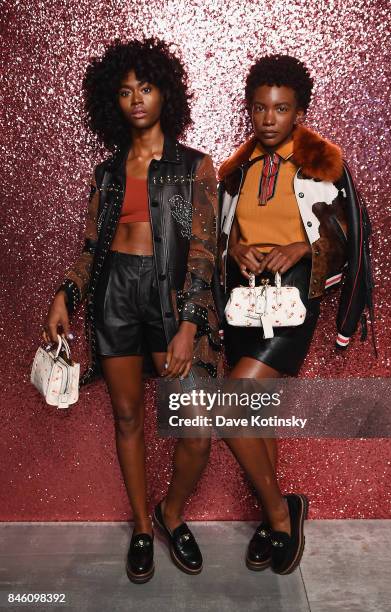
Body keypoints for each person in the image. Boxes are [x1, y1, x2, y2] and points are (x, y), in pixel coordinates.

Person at [42, 37, 222, 583]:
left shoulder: (194, 166)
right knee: (127, 418)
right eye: (125, 91)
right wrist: (65, 295)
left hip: (169, 299)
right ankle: (144, 526)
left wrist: (190, 321)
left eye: (145, 88)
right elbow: (93, 247)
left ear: (165, 93)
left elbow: (205, 250)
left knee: (195, 428)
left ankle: (172, 512)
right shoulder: (108, 172)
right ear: (112, 101)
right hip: (114, 293)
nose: (137, 99)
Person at [216, 54, 374, 575]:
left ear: (299, 112)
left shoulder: (323, 164)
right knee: (256, 414)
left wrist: (303, 249)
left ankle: (282, 515)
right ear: (249, 110)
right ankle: (275, 514)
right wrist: (235, 249)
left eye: (281, 109)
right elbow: (222, 233)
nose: (268, 118)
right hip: (243, 300)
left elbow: (350, 235)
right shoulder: (236, 170)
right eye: (259, 108)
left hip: (292, 301)